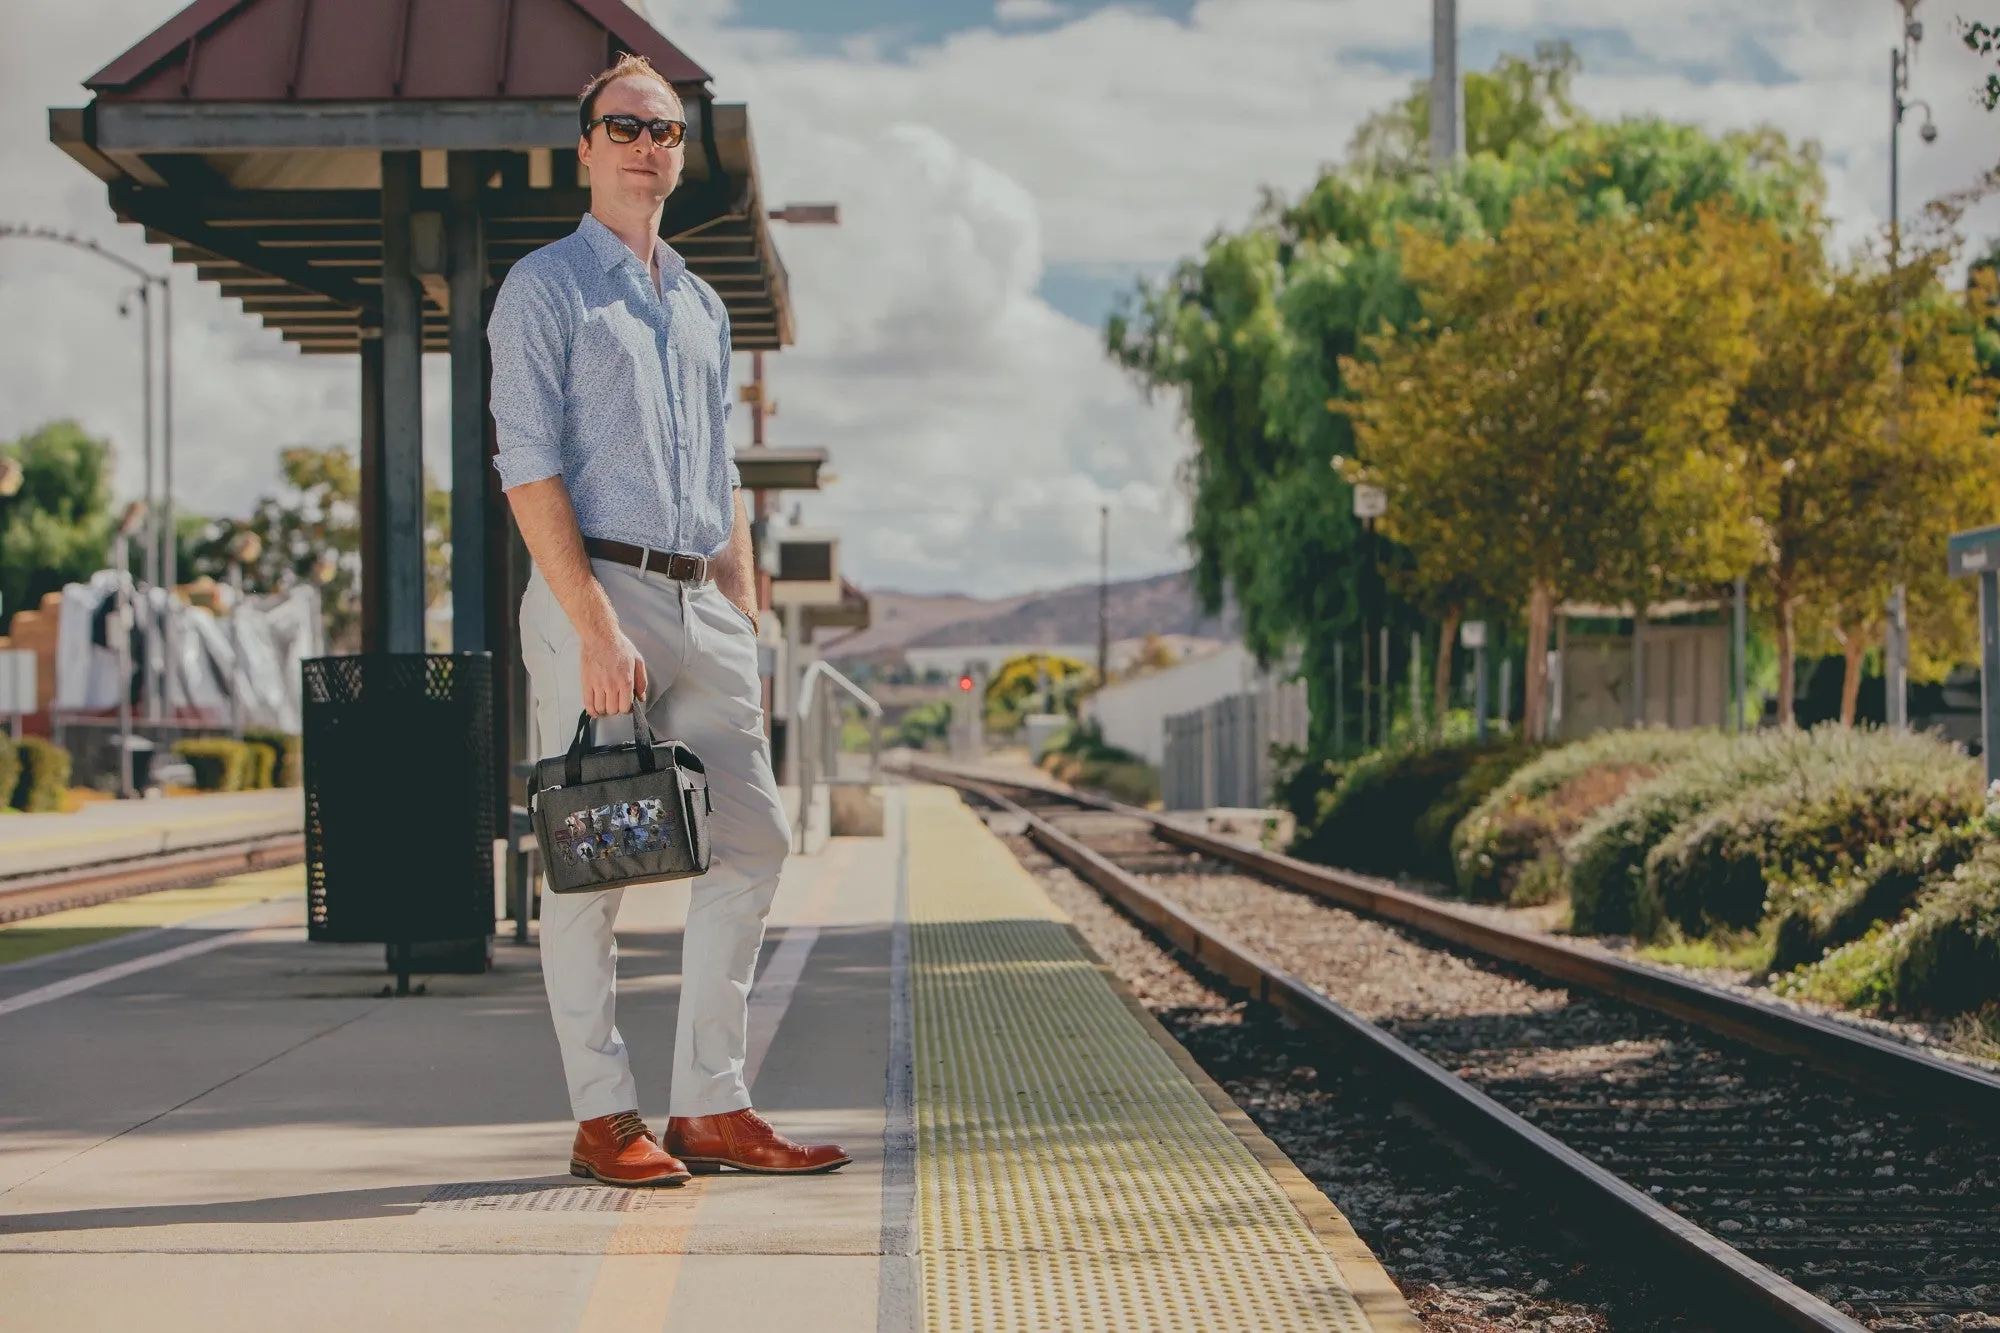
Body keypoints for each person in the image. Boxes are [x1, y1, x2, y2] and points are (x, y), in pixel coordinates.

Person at [489, 53, 848, 1188]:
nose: (649, 147)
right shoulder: (544, 287)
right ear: (585, 148)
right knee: (590, 861)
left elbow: (725, 470)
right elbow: (530, 468)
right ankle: (605, 1116)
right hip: (596, 591)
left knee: (752, 840)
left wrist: (741, 604)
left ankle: (709, 1103)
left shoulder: (698, 301)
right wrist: (591, 623)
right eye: (625, 128)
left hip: (702, 600)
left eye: (666, 133)